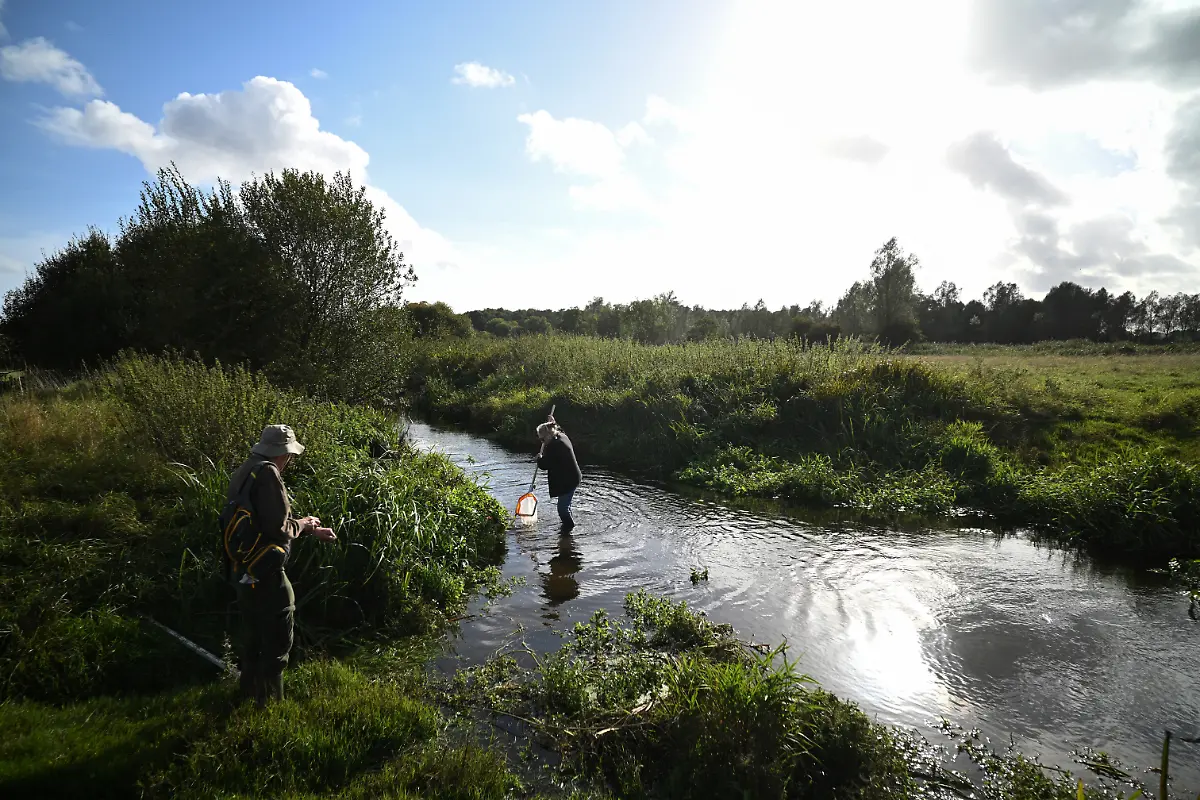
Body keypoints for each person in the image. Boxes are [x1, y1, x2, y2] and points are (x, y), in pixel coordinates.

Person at [226, 424, 336, 707]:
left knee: (252, 632)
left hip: (243, 566)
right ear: (284, 453)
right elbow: (278, 527)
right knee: (279, 631)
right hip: (266, 571)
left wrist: (308, 530)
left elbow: (260, 521)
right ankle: (272, 705)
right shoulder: (269, 474)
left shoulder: (246, 470)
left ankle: (247, 694)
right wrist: (306, 524)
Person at [536, 417, 582, 529]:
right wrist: (554, 423)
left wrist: (539, 458)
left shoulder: (555, 446)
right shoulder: (561, 436)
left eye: (542, 439)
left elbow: (545, 465)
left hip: (568, 481)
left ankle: (568, 529)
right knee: (566, 506)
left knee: (562, 508)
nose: (542, 442)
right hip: (572, 476)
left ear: (548, 435)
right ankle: (568, 526)